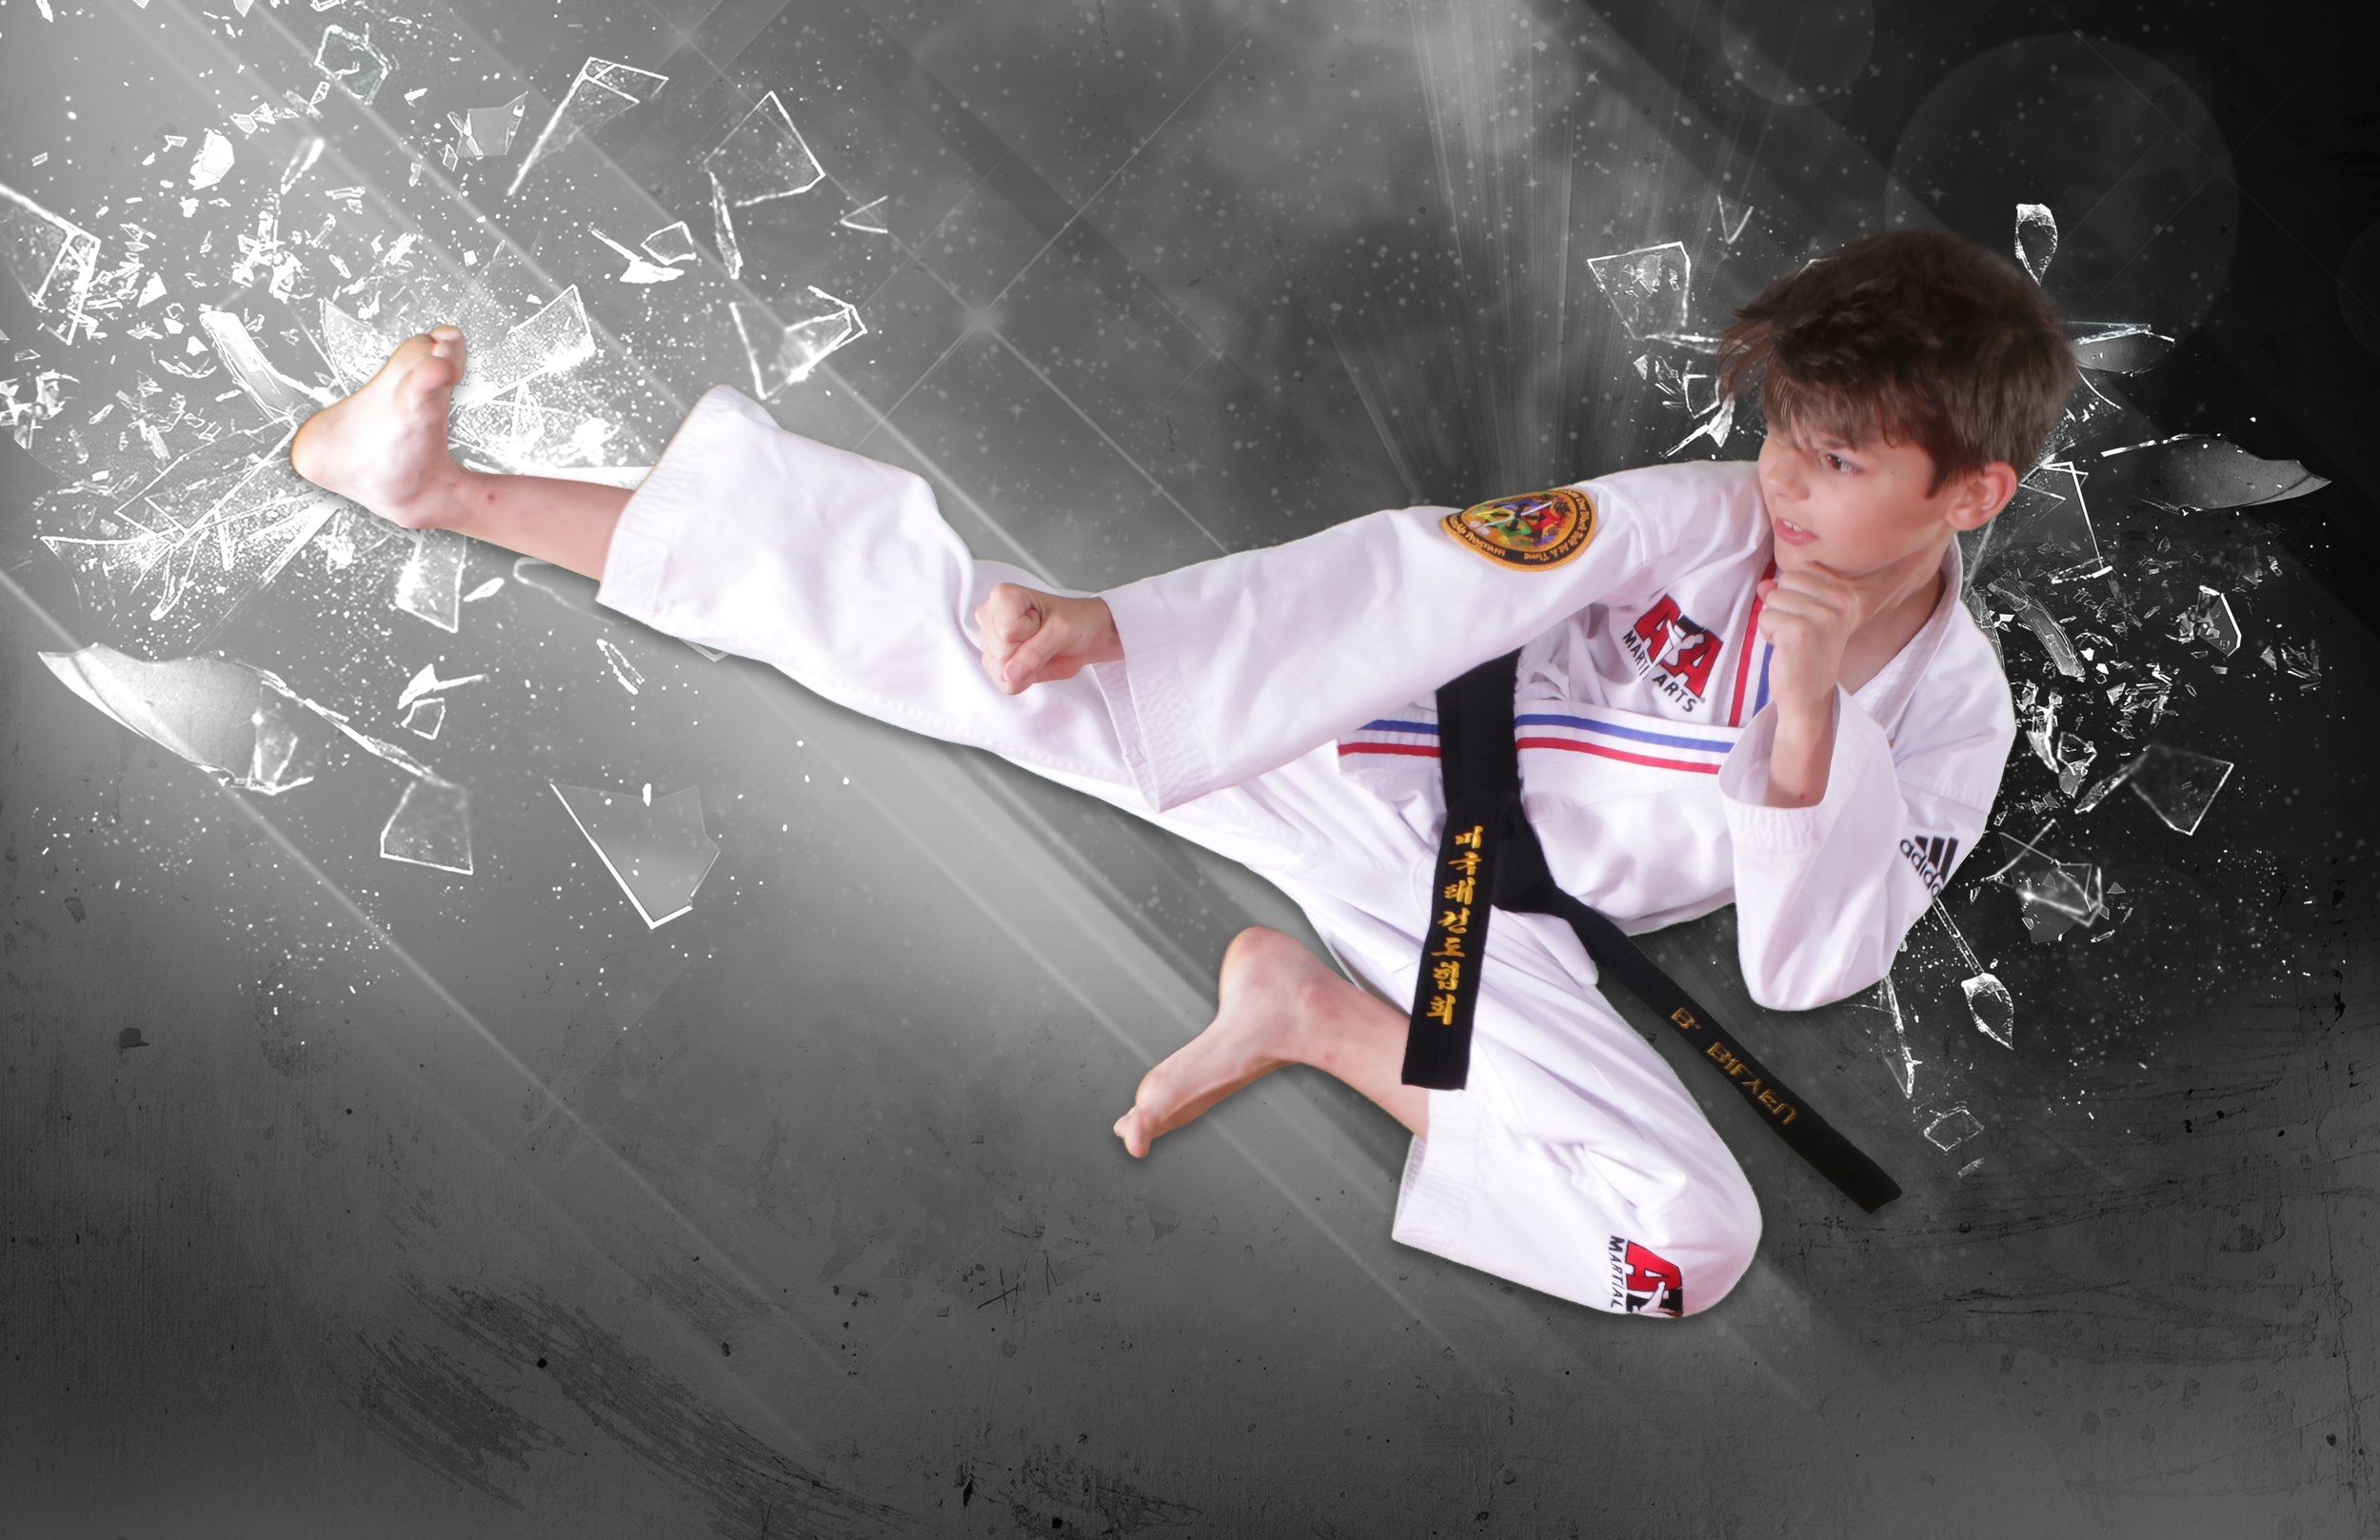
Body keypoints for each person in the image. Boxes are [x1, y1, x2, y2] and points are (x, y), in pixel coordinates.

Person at [288, 228, 2074, 1319]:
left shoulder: (1958, 722)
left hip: (1482, 929)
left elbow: (1804, 968)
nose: (1782, 486)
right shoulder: (1695, 514)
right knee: (967, 642)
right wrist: (1128, 627)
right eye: (1779, 434)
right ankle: (435, 486)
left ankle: (1309, 1014)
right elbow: (1427, 571)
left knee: (1687, 1240)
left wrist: (1820, 704)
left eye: (1837, 462)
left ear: (1971, 493)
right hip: (1337, 756)